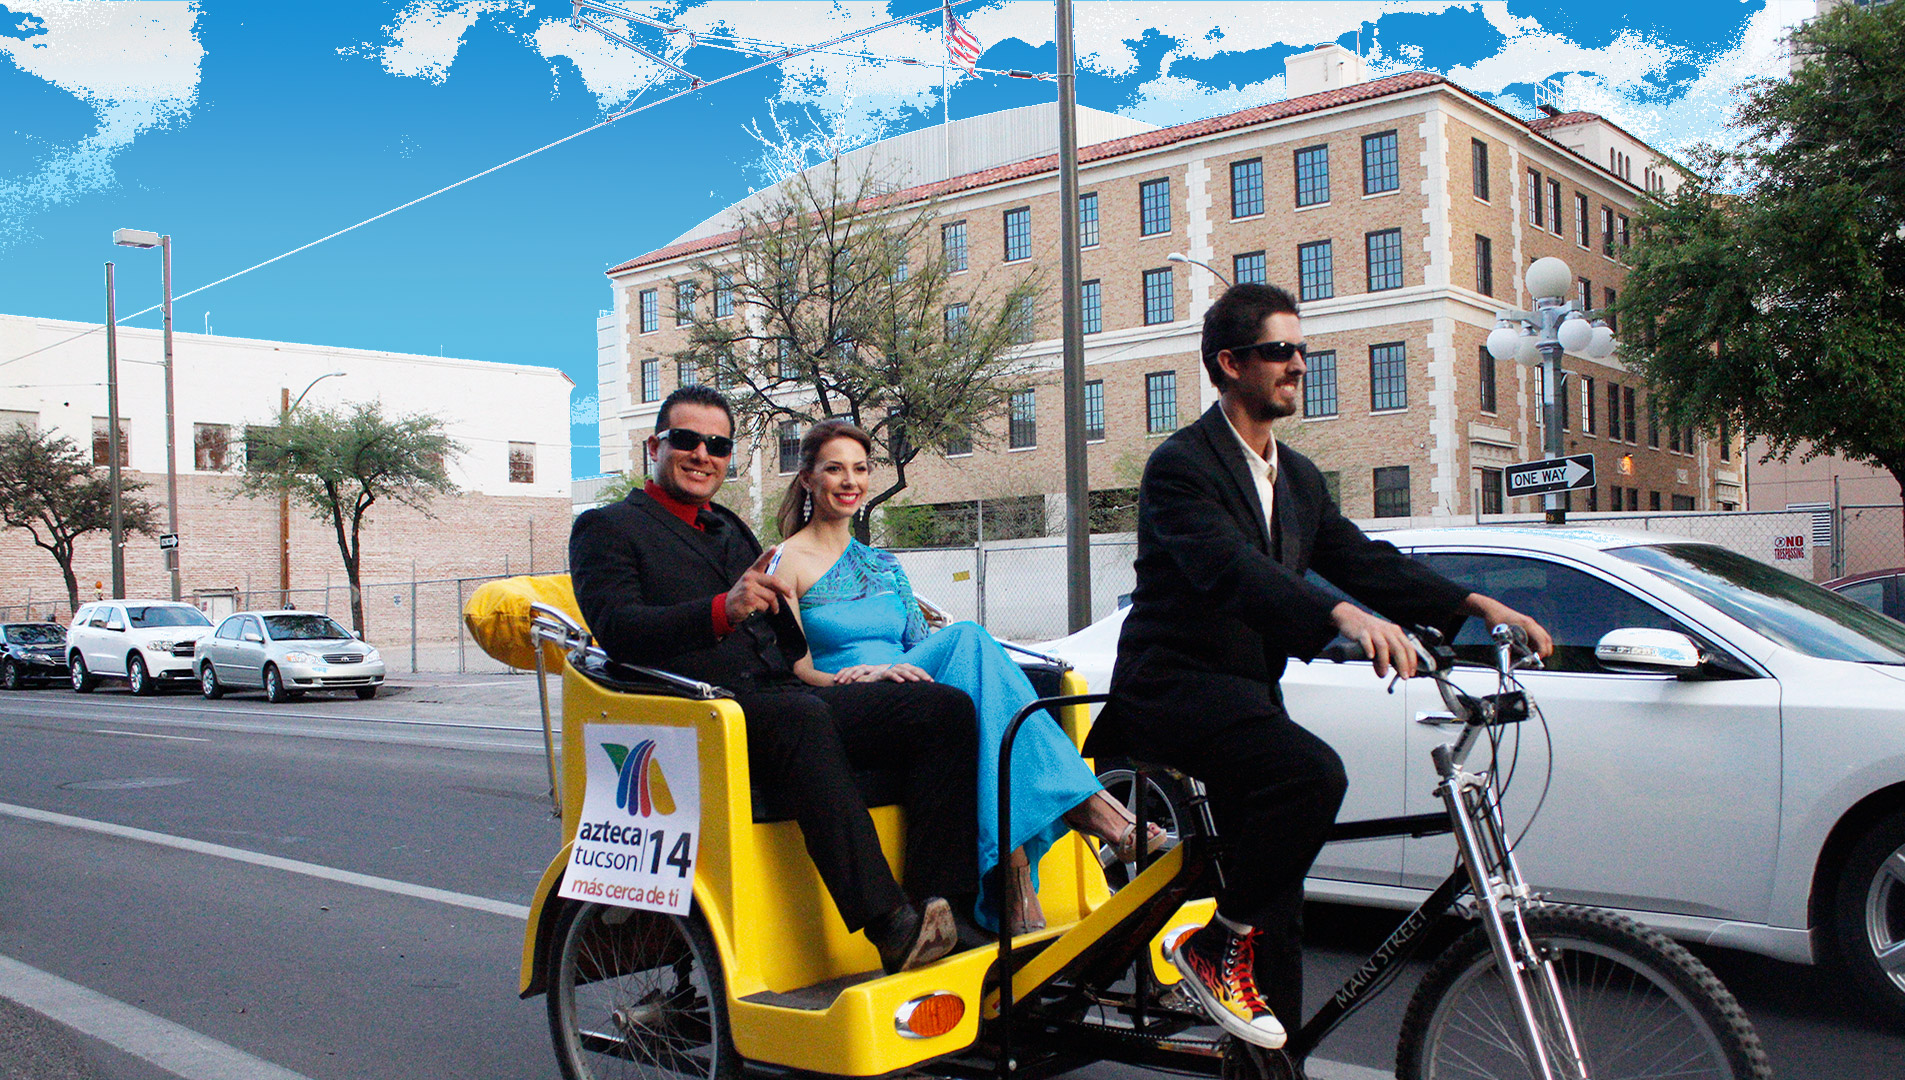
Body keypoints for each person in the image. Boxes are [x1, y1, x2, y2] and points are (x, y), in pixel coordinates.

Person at [1085, 283, 1553, 1050]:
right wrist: (1340, 616)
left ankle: (1269, 1057)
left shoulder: (1296, 476)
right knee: (1309, 776)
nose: (1298, 364)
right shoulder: (1181, 468)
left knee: (1277, 906)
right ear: (1228, 364)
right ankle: (1209, 945)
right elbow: (1234, 572)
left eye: (1302, 350)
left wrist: (1474, 604)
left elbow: (1360, 559)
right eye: (1279, 351)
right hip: (1171, 690)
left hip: (1245, 696)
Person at [569, 386, 980, 976]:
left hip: (779, 696)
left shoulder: (728, 527)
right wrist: (721, 610)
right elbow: (620, 629)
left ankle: (942, 908)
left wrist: (845, 676)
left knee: (938, 708)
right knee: (802, 718)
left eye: (717, 445)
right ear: (655, 445)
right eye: (687, 440)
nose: (702, 454)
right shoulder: (609, 528)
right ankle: (887, 923)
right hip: (701, 712)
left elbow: (787, 639)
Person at [769, 420, 1161, 934]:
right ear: (807, 479)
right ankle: (1084, 814)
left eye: (860, 469)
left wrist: (895, 669)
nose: (850, 481)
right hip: (848, 699)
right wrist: (861, 677)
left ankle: (1019, 880)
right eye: (834, 469)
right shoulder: (783, 561)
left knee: (975, 670)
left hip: (909, 685)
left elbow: (913, 646)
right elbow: (794, 669)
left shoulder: (884, 564)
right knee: (972, 639)